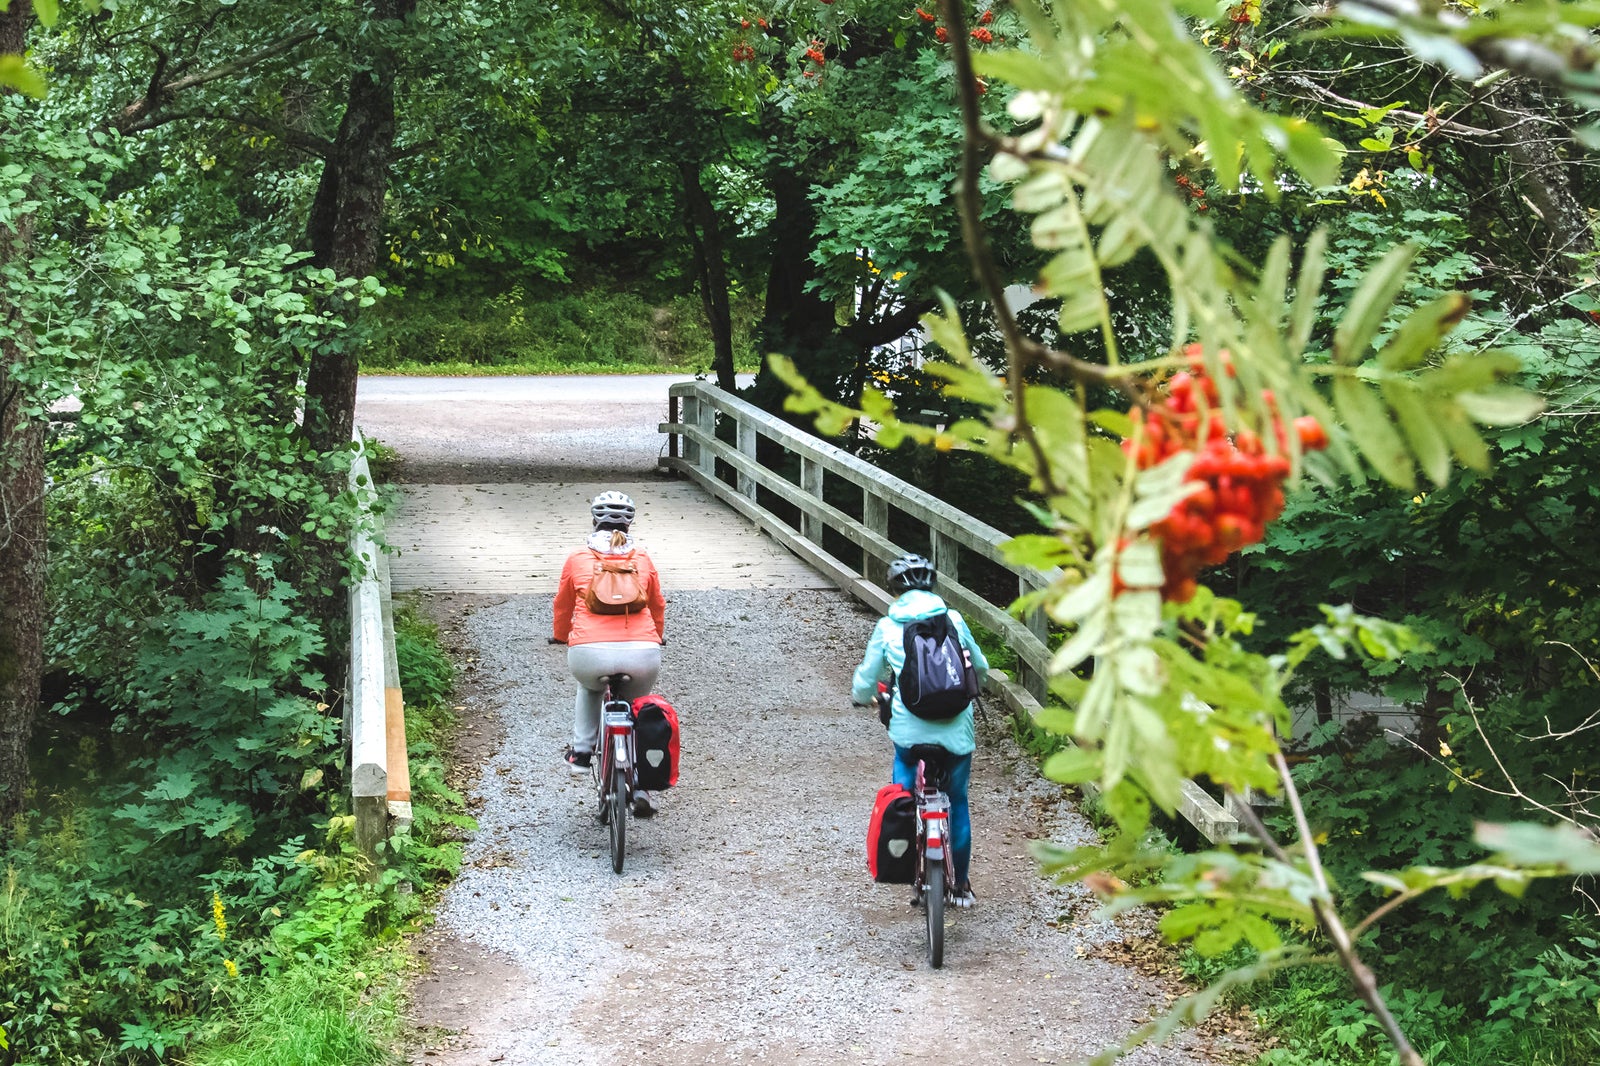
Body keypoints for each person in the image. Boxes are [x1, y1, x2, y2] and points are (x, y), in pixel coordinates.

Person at [852, 553, 989, 907]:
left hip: (909, 734)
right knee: (956, 801)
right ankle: (960, 887)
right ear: (933, 586)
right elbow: (981, 668)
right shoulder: (953, 620)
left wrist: (861, 697)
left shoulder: (888, 626)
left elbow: (867, 679)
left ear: (894, 589)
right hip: (957, 731)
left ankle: (910, 866)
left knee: (904, 794)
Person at [552, 490, 667, 815]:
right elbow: (657, 605)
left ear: (594, 519)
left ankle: (582, 752)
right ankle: (642, 783)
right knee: (635, 706)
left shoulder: (578, 558)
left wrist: (561, 636)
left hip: (590, 652)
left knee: (589, 686)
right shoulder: (642, 559)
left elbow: (561, 606)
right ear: (630, 523)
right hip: (642, 653)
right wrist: (656, 636)